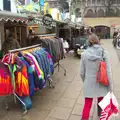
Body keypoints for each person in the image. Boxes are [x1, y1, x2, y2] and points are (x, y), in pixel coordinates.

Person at [80, 34, 113, 120]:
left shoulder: (84, 54)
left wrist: (85, 81)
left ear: (89, 42)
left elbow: (81, 72)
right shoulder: (104, 53)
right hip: (102, 81)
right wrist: (110, 85)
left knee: (87, 104)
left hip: (89, 82)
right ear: (98, 41)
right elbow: (108, 71)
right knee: (102, 102)